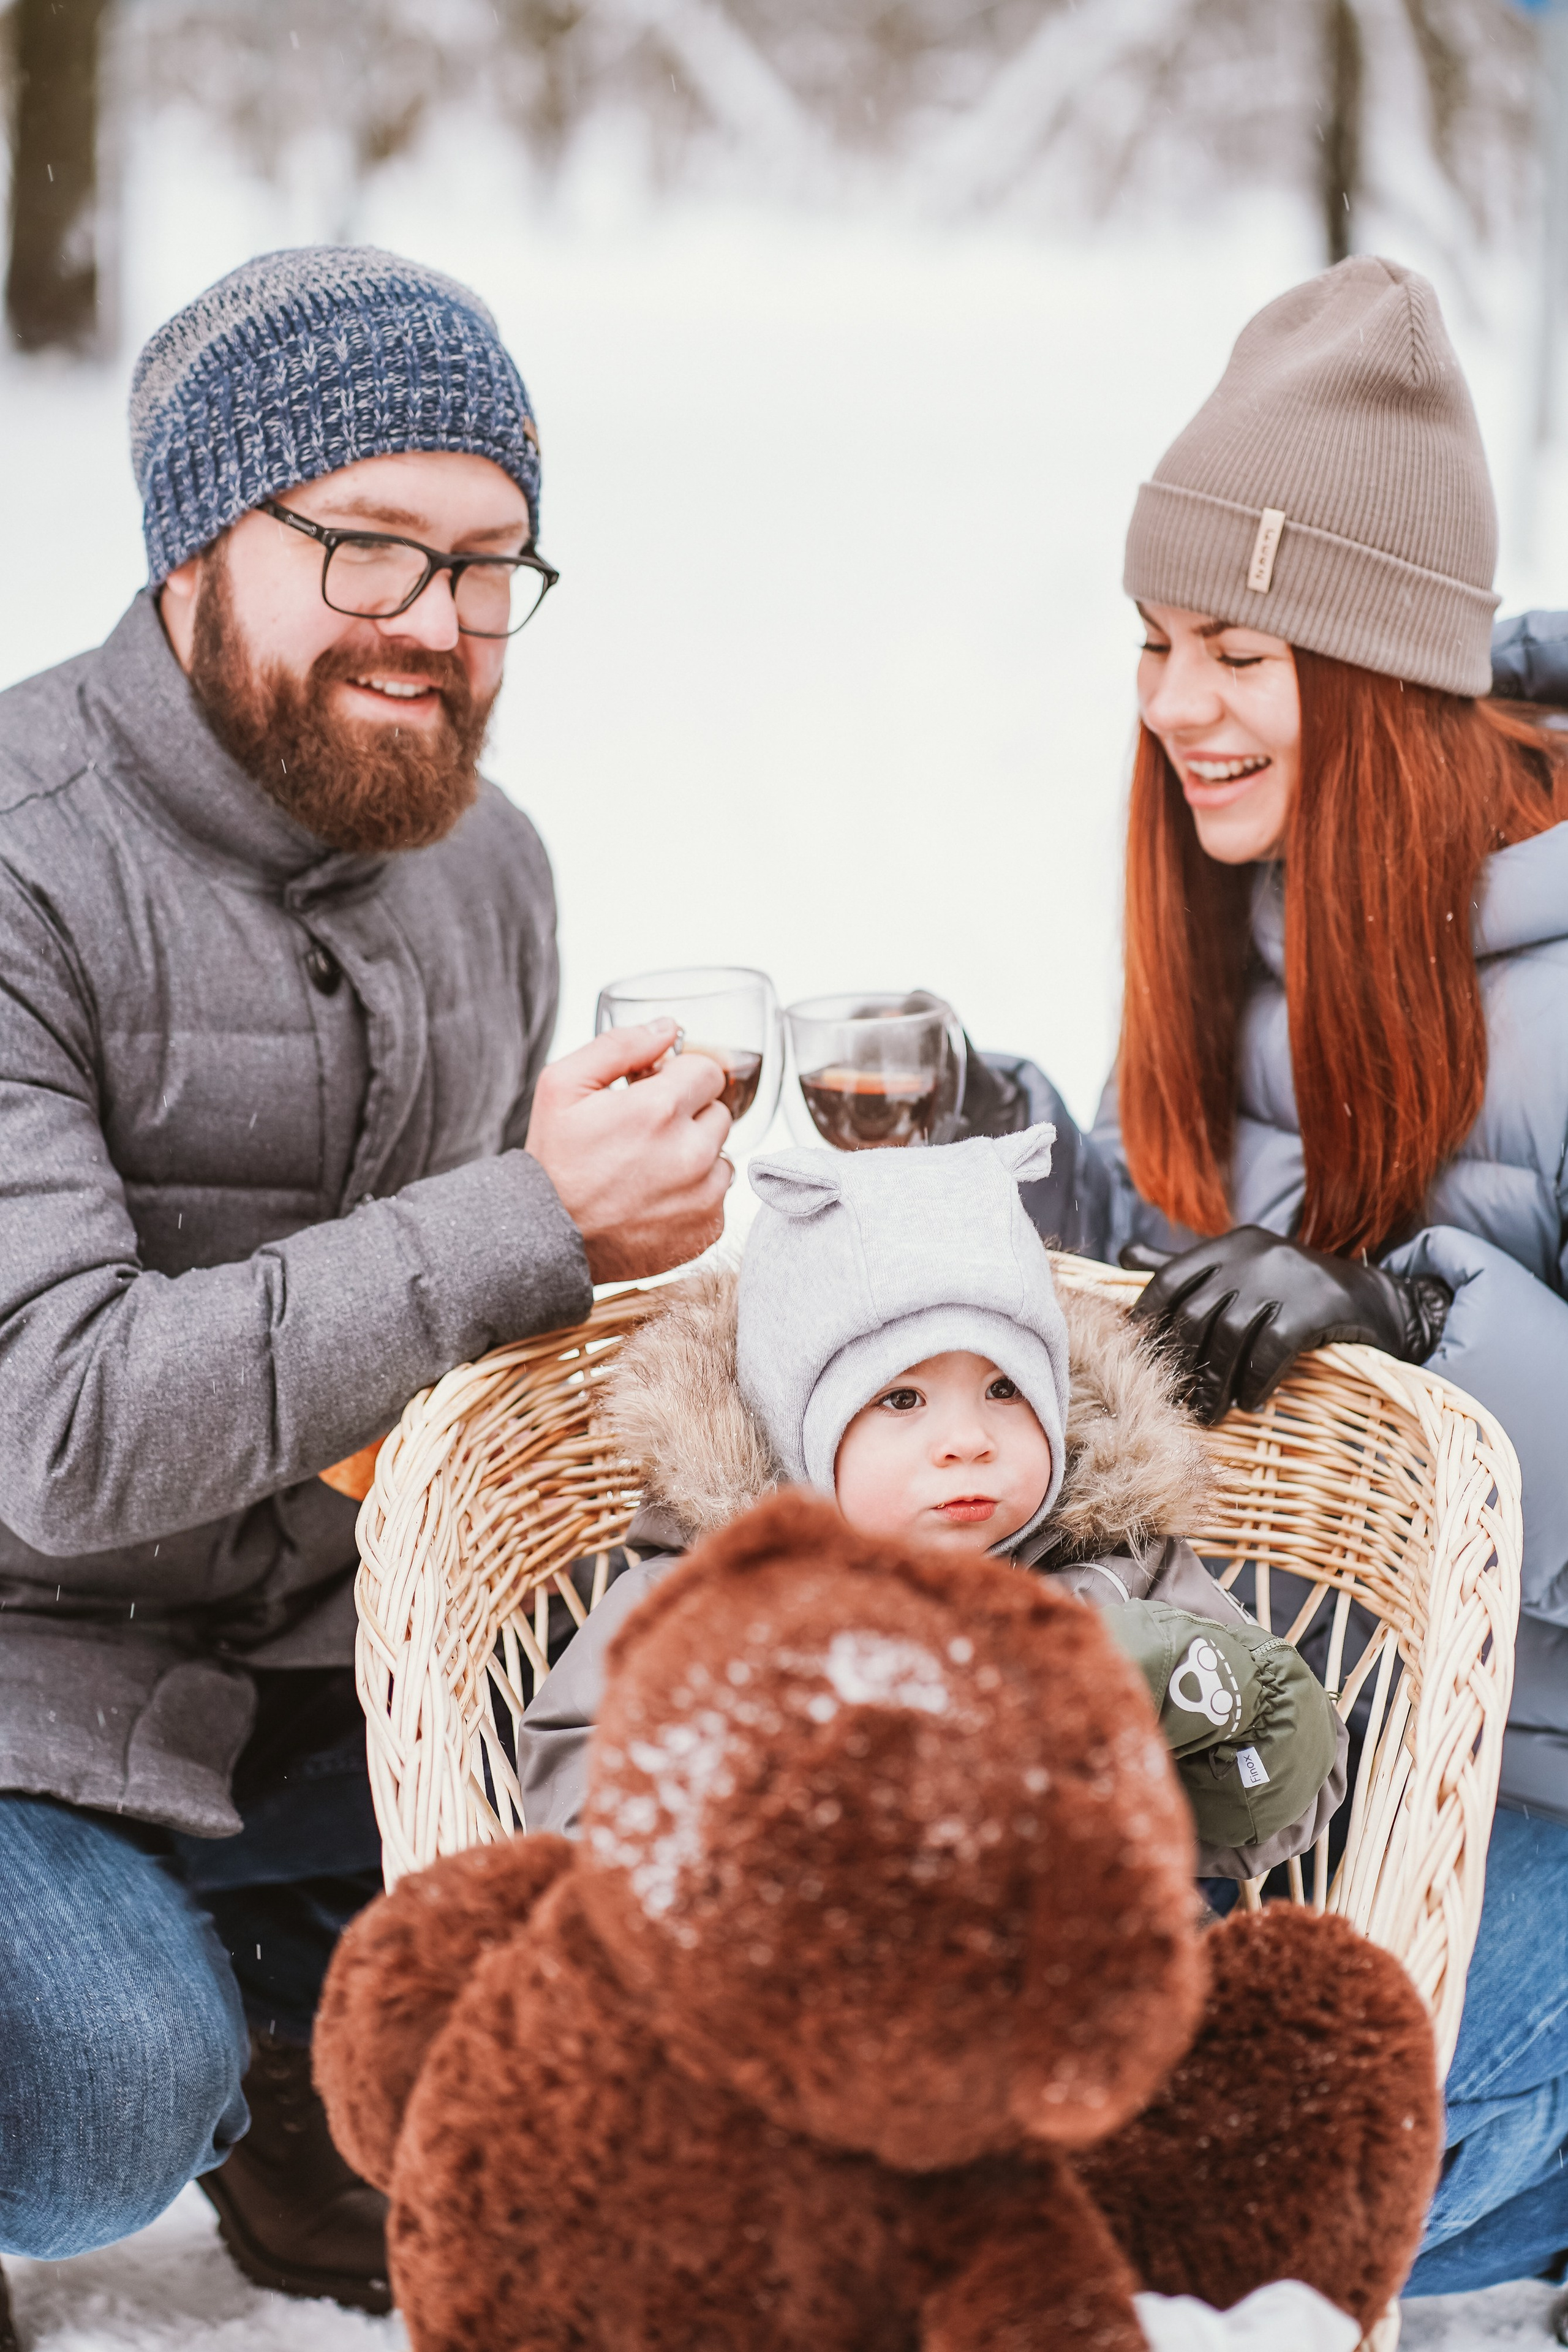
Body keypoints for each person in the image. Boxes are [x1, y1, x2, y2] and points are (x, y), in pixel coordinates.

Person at [0, 246, 731, 2318]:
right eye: (369, 546)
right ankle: (206, 2037)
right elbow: (56, 1431)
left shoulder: (491, 871)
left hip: (344, 1685)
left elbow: (459, 1366)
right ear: (197, 544)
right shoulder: (23, 860)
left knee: (711, 1940)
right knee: (96, 2088)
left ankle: (291, 2043)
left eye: (489, 564)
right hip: (29, 1686)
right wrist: (527, 1218)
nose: (435, 620)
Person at [976, 254, 1568, 2297]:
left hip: (1533, 1803)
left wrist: (1421, 1331)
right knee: (969, 2100)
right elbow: (1182, 1295)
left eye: (1234, 650)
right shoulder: (1248, 915)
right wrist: (1021, 1148)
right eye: (1156, 646)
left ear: (1381, 672)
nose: (1173, 708)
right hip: (1275, 1750)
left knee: (1225, 2187)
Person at [518, 1125, 1343, 1882]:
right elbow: (582, 1787)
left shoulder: (1122, 1573)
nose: (969, 1440)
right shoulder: (699, 1604)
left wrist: (1179, 1679)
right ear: (801, 1436)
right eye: (902, 1399)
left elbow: (1278, 1797)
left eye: (1004, 1388)